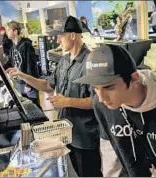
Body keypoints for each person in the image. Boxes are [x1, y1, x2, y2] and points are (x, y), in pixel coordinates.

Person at [6, 16, 102, 177]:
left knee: (89, 173)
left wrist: (67, 102)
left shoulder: (90, 62)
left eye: (60, 35)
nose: (57, 40)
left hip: (84, 137)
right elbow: (47, 86)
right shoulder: (64, 61)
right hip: (66, 132)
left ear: (73, 35)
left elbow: (97, 101)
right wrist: (23, 76)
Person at [74, 44, 156, 176]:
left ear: (134, 79)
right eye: (95, 87)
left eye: (109, 87)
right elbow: (109, 149)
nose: (102, 98)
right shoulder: (101, 105)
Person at [4, 20, 41, 109]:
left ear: (15, 31)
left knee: (35, 108)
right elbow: (10, 62)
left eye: (8, 30)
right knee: (26, 108)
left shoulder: (26, 45)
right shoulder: (12, 47)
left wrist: (29, 84)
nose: (6, 32)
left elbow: (31, 66)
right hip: (19, 82)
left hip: (29, 82)